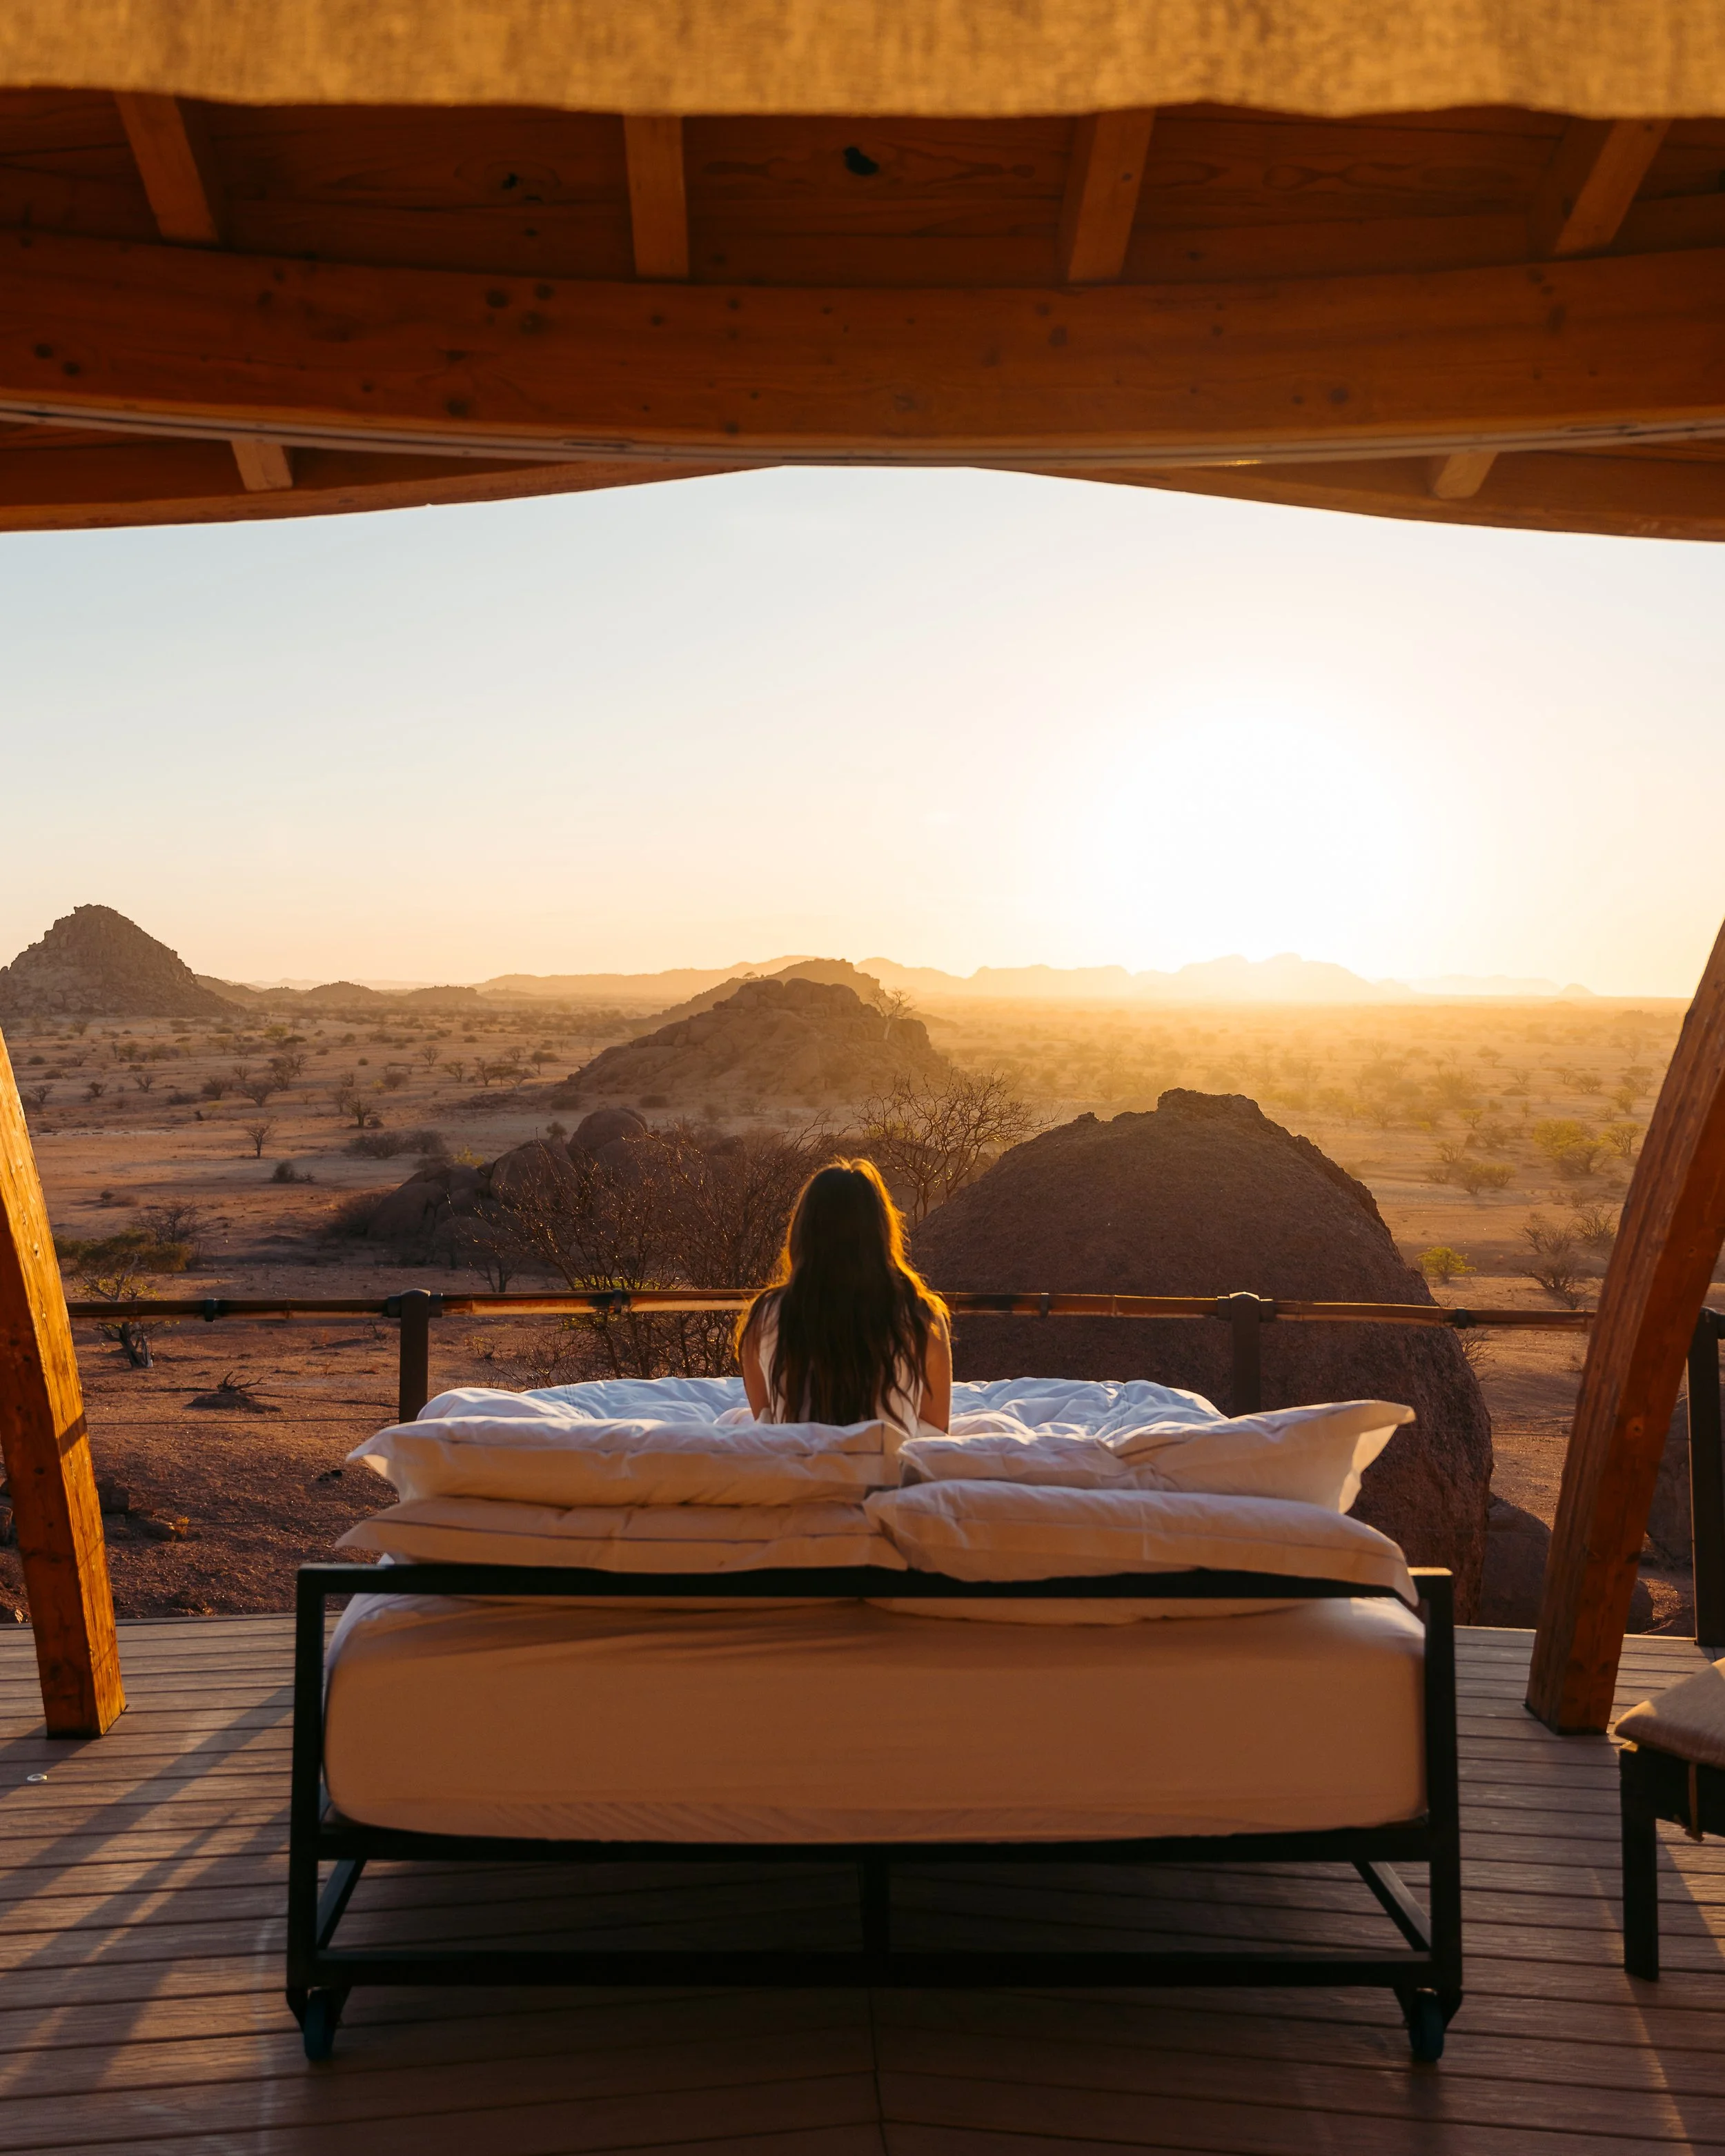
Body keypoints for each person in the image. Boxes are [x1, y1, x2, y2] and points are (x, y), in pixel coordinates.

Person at [738, 1158, 952, 1434]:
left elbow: (766, 1418)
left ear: (803, 1232)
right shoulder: (922, 1317)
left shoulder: (764, 1317)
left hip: (800, 1472)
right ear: (882, 1232)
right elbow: (937, 1430)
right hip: (886, 1473)